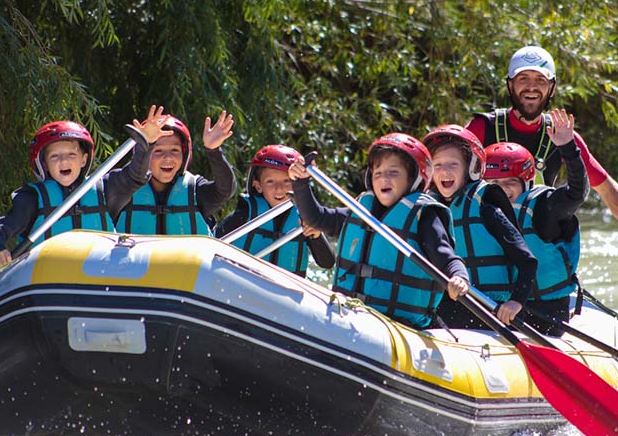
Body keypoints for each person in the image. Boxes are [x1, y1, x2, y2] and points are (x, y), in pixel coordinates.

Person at [467, 45, 618, 273]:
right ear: (510, 84)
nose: (531, 87)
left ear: (551, 89)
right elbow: (446, 172)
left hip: (536, 239)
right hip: (486, 238)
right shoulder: (481, 128)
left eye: (540, 80)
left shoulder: (563, 135)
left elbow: (605, 187)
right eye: (523, 78)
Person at [287, 133, 470, 330]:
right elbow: (316, 218)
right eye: (378, 173)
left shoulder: (424, 216)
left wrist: (459, 277)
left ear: (413, 179)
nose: (384, 179)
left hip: (401, 325)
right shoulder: (361, 209)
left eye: (393, 173)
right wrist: (301, 183)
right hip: (349, 312)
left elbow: (447, 257)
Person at [0, 106, 171, 268]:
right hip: (48, 283)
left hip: (101, 274)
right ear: (43, 164)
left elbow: (135, 175)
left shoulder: (105, 189)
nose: (64, 161)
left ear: (83, 159)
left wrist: (148, 145)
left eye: (71, 155)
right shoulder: (32, 198)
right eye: (55, 156)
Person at [483, 109, 588, 335]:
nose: (501, 189)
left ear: (527, 182)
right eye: (493, 182)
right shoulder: (478, 209)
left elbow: (577, 193)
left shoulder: (544, 207)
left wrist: (568, 148)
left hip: (545, 309)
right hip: (496, 307)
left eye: (510, 181)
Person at [422, 125, 537, 327]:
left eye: (453, 164)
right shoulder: (428, 210)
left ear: (471, 168)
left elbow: (527, 261)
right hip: (448, 307)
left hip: (493, 309)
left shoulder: (486, 208)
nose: (445, 171)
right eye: (437, 165)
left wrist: (515, 302)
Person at [215, 145, 335, 277]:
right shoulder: (244, 214)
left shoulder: (305, 218)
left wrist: (317, 235)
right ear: (258, 186)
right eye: (270, 182)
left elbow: (327, 262)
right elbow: (212, 244)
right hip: (245, 285)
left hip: (284, 291)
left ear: (298, 185)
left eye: (287, 181)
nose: (279, 189)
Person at [115, 110, 236, 236]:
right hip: (136, 256)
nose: (168, 157)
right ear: (146, 154)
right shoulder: (124, 189)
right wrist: (145, 143)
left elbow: (225, 190)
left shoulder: (195, 190)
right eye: (158, 151)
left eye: (174, 150)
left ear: (184, 155)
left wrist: (213, 150)